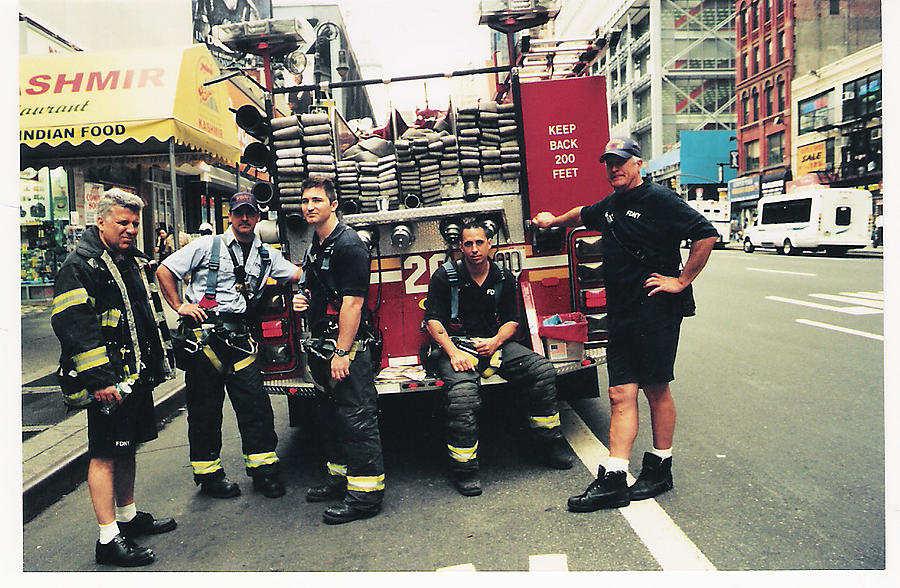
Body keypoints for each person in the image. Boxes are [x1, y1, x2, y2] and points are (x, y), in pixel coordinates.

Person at [531, 137, 718, 511]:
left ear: (638, 164)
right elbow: (582, 213)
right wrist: (554, 220)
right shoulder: (612, 206)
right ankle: (615, 478)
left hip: (655, 310)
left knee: (656, 390)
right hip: (622, 314)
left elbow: (706, 233)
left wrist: (680, 281)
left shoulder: (659, 199)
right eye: (608, 163)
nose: (614, 168)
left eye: (621, 162)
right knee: (620, 393)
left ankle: (660, 467)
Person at [51, 188, 176, 567]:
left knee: (127, 446)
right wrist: (101, 380)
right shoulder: (80, 266)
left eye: (135, 223)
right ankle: (108, 539)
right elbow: (74, 326)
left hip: (132, 378)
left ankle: (127, 518)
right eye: (123, 222)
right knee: (105, 453)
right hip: (108, 384)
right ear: (101, 221)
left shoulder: (127, 260)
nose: (131, 229)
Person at [156, 192, 304, 500]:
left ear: (257, 218)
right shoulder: (205, 246)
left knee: (256, 408)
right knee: (204, 412)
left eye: (250, 213)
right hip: (205, 340)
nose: (244, 219)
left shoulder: (266, 256)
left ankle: (264, 472)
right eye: (239, 214)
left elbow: (297, 274)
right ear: (231, 217)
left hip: (240, 341)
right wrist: (180, 306)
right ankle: (209, 476)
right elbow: (164, 270)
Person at [423, 219, 573, 497]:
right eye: (468, 244)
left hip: (494, 344)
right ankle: (465, 469)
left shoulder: (503, 277)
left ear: (489, 244)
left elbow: (512, 322)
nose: (474, 249)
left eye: (479, 242)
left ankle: (548, 443)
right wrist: (454, 353)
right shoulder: (445, 277)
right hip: (457, 347)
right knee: (464, 395)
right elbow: (432, 321)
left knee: (542, 372)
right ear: (460, 247)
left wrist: (495, 342)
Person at [293, 177, 386, 524]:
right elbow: (316, 287)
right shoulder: (316, 244)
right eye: (305, 201)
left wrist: (343, 353)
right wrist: (304, 299)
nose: (309, 206)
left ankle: (365, 497)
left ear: (334, 205)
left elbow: (353, 303)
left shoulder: (348, 245)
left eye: (317, 200)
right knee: (331, 416)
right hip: (324, 344)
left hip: (345, 346)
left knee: (357, 418)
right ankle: (339, 478)